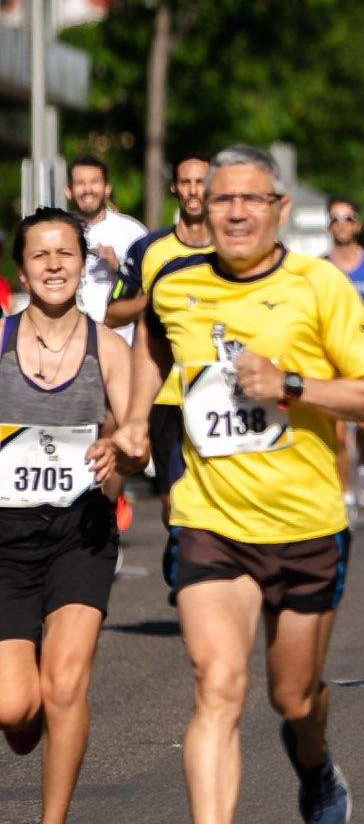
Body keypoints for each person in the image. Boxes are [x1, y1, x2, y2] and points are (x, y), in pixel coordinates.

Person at [114, 146, 364, 824]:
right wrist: (136, 417)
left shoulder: (321, 287)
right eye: (221, 200)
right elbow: (155, 345)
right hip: (210, 520)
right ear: (204, 210)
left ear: (277, 208)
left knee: (291, 696)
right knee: (218, 682)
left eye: (250, 200)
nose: (233, 212)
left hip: (306, 527)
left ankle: (313, 758)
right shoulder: (176, 282)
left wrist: (293, 387)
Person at [0, 209, 134, 824]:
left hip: (80, 531)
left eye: (65, 254)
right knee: (15, 709)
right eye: (40, 255)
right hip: (5, 536)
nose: (53, 265)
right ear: (21, 269)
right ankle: (25, 725)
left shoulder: (108, 348)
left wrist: (121, 455)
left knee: (67, 680)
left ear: (84, 264)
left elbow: (137, 434)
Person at [108, 152, 214, 600]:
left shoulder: (233, 247)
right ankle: (181, 546)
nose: (193, 191)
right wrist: (151, 300)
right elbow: (114, 312)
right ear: (175, 188)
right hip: (167, 395)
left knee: (212, 496)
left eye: (201, 182)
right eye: (185, 182)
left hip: (218, 394)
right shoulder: (150, 249)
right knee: (175, 502)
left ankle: (204, 577)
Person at [324, 198, 364, 517]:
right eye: (335, 218)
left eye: (348, 218)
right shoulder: (321, 267)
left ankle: (362, 466)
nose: (341, 224)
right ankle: (345, 494)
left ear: (358, 225)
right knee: (337, 429)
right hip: (332, 355)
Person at [66, 154, 146, 339]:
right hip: (70, 342)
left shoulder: (133, 232)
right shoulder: (60, 231)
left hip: (119, 339)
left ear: (107, 188)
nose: (87, 190)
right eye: (80, 183)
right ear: (68, 191)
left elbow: (148, 291)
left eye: (94, 182)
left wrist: (119, 267)